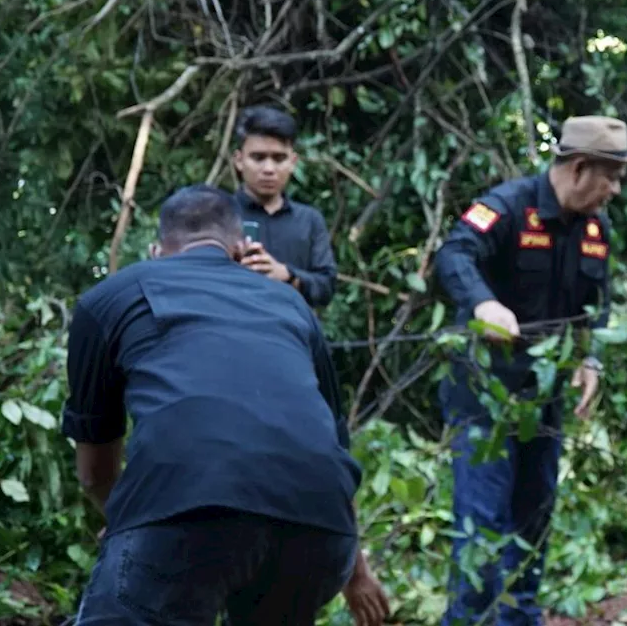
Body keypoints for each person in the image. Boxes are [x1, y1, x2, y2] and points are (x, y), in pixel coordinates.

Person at [61, 185, 388, 626]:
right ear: (240, 250)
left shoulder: (109, 297)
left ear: (157, 252)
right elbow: (331, 449)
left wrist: (135, 518)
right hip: (321, 530)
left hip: (184, 506)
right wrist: (359, 575)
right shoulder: (292, 303)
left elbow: (94, 472)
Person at [431, 116, 627, 626]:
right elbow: (454, 254)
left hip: (543, 404)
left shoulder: (595, 229)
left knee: (533, 525)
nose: (615, 190)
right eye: (610, 176)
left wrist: (589, 358)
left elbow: (598, 303)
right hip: (484, 399)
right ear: (580, 167)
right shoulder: (506, 207)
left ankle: (521, 618)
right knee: (481, 529)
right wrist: (482, 305)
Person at [231, 105, 338, 309]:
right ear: (239, 160)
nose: (269, 169)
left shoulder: (309, 220)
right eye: (258, 157)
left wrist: (287, 275)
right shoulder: (219, 215)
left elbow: (327, 287)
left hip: (294, 335)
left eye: (279, 158)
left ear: (293, 162)